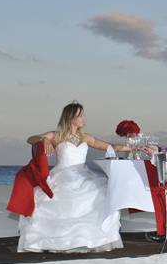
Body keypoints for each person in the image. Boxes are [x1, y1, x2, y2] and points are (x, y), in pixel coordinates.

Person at [17, 101, 133, 253]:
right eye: (80, 115)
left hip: (83, 174)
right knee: (58, 199)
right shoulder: (56, 135)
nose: (84, 118)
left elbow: (110, 146)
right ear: (71, 118)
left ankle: (91, 238)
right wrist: (43, 139)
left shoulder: (86, 137)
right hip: (62, 174)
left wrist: (132, 147)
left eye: (83, 114)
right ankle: (57, 240)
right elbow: (30, 139)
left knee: (102, 191)